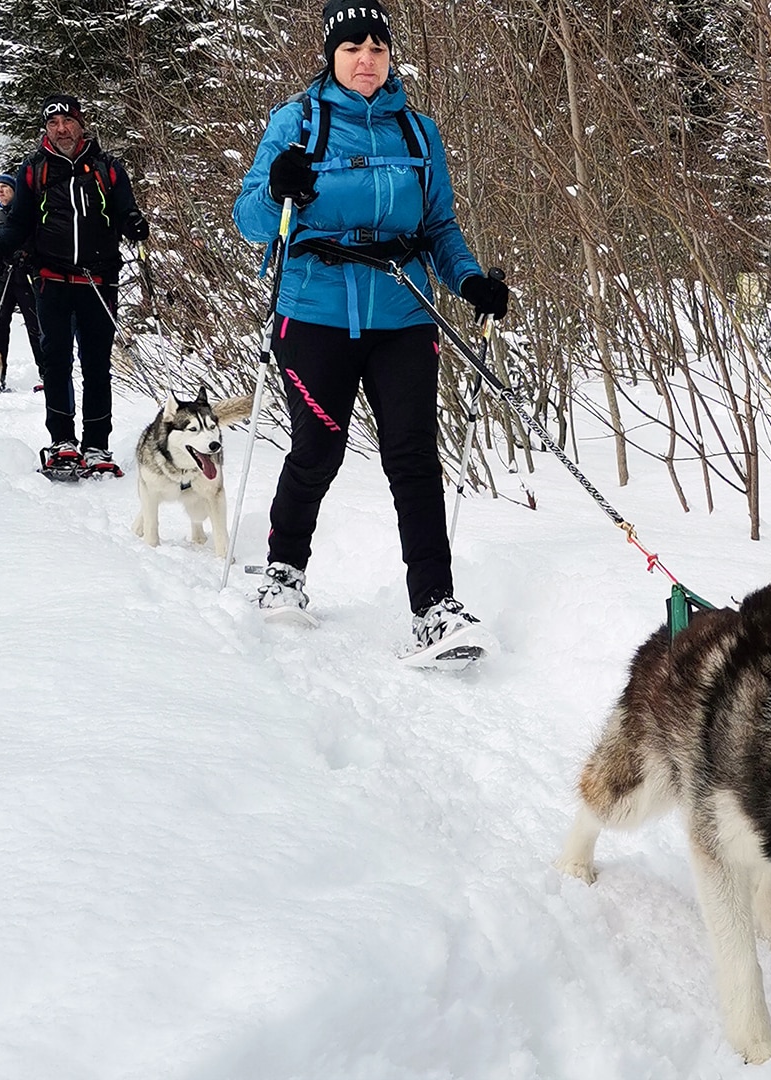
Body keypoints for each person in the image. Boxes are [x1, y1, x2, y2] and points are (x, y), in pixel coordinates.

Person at [232, 0, 509, 654]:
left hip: (402, 313)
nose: (366, 59)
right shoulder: (298, 122)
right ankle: (284, 572)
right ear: (331, 54)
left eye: (377, 47)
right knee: (318, 451)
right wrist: (276, 187)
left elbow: (439, 225)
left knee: (413, 457)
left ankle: (434, 607)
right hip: (316, 311)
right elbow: (249, 222)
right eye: (352, 47)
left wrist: (469, 280)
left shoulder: (417, 131)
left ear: (389, 55)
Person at [0, 94, 148, 478]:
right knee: (56, 363)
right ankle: (63, 440)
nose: (61, 129)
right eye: (53, 124)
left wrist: (134, 223)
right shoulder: (34, 169)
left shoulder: (108, 167)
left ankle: (96, 444)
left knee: (97, 364)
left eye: (67, 121)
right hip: (51, 280)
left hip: (99, 280)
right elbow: (19, 221)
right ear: (46, 129)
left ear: (80, 123)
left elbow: (126, 209)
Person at [0, 172, 41, 392]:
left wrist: (26, 255)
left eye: (5, 187)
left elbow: (37, 243)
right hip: (2, 279)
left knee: (36, 327)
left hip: (25, 279)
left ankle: (47, 375)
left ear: (15, 191)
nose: (0, 190)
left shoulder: (28, 214)